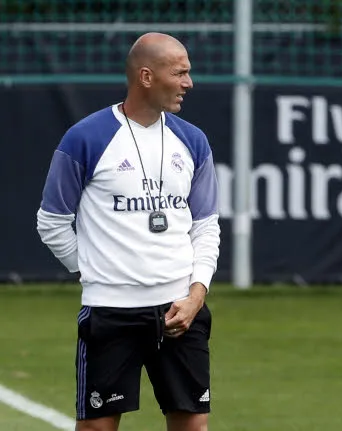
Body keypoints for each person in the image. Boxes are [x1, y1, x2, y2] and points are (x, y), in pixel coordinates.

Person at [36, 32, 220, 431]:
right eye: (181, 73)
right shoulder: (85, 137)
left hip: (181, 312)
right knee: (98, 427)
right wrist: (93, 272)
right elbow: (51, 221)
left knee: (193, 426)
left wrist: (195, 293)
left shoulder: (193, 141)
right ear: (146, 76)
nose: (189, 83)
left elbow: (205, 226)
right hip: (110, 313)